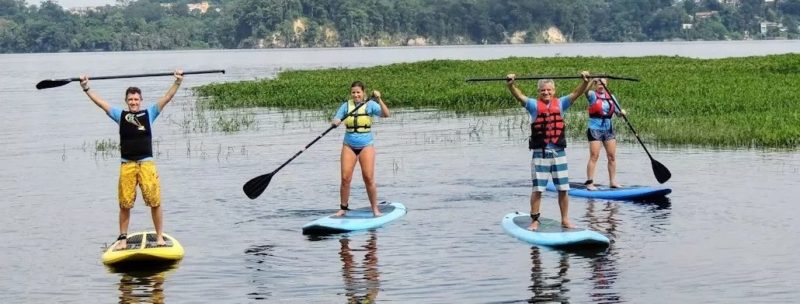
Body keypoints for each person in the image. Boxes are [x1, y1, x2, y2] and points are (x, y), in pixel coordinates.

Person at [80, 69, 183, 250]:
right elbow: (101, 103)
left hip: (146, 164)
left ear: (140, 100)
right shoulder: (120, 115)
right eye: (130, 100)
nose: (133, 102)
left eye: (136, 99)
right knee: (125, 203)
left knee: (155, 201)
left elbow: (167, 98)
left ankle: (159, 237)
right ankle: (122, 239)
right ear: (126, 101)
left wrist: (178, 81)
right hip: (127, 165)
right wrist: (86, 87)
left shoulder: (149, 114)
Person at [507, 72, 591, 230]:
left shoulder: (561, 104)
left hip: (559, 153)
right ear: (538, 92)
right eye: (543, 90)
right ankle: (534, 220)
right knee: (538, 189)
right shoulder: (533, 105)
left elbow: (576, 93)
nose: (546, 93)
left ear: (554, 90)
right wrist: (511, 85)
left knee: (563, 189)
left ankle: (565, 220)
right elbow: (520, 97)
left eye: (549, 90)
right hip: (540, 153)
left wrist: (585, 81)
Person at [331, 81, 390, 217]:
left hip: (366, 146)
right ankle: (343, 209)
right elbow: (336, 118)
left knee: (368, 178)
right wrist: (336, 121)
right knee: (345, 178)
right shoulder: (346, 106)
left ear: (363, 92)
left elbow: (386, 114)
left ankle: (375, 209)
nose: (356, 95)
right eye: (353, 92)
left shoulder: (370, 105)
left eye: (358, 92)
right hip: (349, 145)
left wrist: (379, 99)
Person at [584, 78, 626, 190]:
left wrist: (622, 113)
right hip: (595, 129)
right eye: (598, 83)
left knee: (612, 157)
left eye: (603, 83)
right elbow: (585, 91)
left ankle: (613, 182)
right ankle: (590, 183)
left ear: (606, 84)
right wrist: (591, 80)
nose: (601, 85)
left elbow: (618, 113)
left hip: (608, 129)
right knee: (594, 156)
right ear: (595, 85)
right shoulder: (592, 95)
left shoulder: (611, 97)